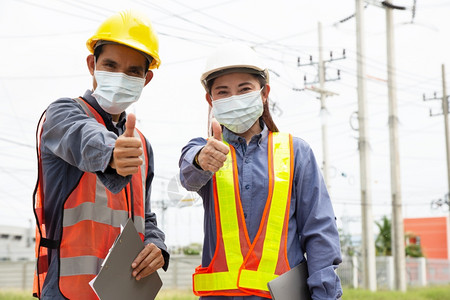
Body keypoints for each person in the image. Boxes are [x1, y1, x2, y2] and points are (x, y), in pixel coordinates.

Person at [179, 42, 343, 299]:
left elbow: (320, 233)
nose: (234, 99)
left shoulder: (296, 152)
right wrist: (201, 160)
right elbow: (188, 174)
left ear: (264, 93)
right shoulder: (204, 149)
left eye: (244, 89)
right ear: (210, 100)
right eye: (223, 92)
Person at [32, 10, 169, 299]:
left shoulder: (141, 143)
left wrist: (157, 245)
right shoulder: (63, 114)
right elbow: (85, 138)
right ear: (92, 64)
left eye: (133, 71)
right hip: (68, 291)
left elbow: (144, 215)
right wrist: (112, 153)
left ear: (147, 79)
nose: (121, 77)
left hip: (126, 291)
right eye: (110, 65)